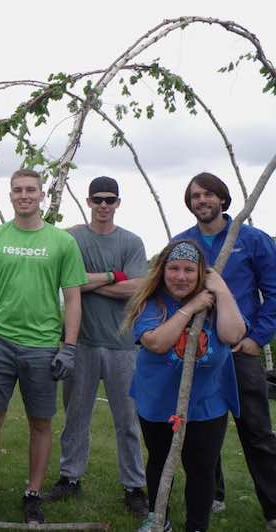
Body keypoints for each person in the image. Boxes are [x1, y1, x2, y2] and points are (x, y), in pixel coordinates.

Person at [0, 168, 87, 524]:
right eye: (17, 189)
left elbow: (74, 298)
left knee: (41, 422)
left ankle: (33, 493)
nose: (24, 195)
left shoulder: (62, 242)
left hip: (42, 345)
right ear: (10, 195)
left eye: (30, 190)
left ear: (41, 195)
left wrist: (69, 346)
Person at [174, 172, 276, 529]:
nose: (201, 200)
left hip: (239, 350)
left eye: (208, 194)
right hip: (200, 352)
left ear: (222, 199)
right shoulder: (183, 243)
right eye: (195, 196)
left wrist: (257, 338)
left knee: (257, 432)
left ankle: (273, 508)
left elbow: (275, 292)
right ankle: (212, 493)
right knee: (202, 427)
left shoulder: (251, 240)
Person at [125, 240, 246, 532]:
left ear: (202, 273)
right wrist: (192, 306)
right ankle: (158, 519)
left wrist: (221, 290)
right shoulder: (152, 303)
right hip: (157, 399)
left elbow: (233, 334)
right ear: (162, 271)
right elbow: (156, 343)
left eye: (189, 270)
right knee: (158, 461)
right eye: (174, 269)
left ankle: (196, 526)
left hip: (207, 401)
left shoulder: (216, 302)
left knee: (202, 468)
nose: (181, 276)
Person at [46, 176, 148, 516]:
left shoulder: (132, 242)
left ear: (118, 203)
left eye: (110, 199)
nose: (103, 205)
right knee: (75, 416)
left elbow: (136, 288)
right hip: (82, 342)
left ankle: (134, 485)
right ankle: (70, 478)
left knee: (127, 420)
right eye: (97, 199)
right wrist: (112, 276)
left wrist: (86, 282)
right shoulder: (73, 238)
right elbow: (66, 280)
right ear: (88, 202)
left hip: (123, 346)